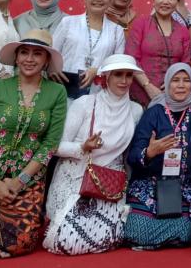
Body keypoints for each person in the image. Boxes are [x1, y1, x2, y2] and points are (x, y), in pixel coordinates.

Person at [0, 30, 67, 258]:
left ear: (46, 60)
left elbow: (50, 143)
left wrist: (19, 182)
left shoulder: (57, 92)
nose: (29, 59)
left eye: (37, 54)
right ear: (16, 57)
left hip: (28, 178)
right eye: (24, 52)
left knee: (21, 244)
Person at [43, 54, 143, 255]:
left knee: (110, 238)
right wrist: (83, 147)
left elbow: (126, 157)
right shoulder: (85, 103)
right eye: (118, 75)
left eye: (128, 75)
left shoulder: (136, 110)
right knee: (65, 242)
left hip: (110, 184)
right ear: (105, 77)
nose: (124, 81)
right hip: (75, 180)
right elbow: (55, 146)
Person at [124, 63, 191, 250]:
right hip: (151, 183)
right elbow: (133, 155)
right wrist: (150, 152)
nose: (180, 85)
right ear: (167, 84)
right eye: (175, 80)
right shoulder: (153, 112)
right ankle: (167, 238)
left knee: (189, 231)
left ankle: (164, 238)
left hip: (185, 186)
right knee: (136, 231)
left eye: (186, 80)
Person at [50, 0, 125, 99]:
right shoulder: (68, 23)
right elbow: (52, 53)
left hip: (98, 94)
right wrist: (52, 69)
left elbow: (116, 64)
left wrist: (98, 71)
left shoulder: (117, 30)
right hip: (63, 91)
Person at [126, 0, 191, 106]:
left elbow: (186, 63)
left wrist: (173, 83)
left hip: (172, 94)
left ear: (177, 2)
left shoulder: (183, 30)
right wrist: (147, 85)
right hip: (140, 92)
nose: (165, 1)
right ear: (154, 0)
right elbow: (131, 58)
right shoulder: (141, 24)